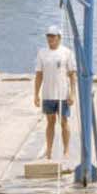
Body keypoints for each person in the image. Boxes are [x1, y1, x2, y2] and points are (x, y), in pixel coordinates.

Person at [31, 24, 76, 161]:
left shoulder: (67, 53)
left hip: (62, 94)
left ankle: (66, 150)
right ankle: (49, 151)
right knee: (50, 122)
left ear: (59, 37)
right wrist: (36, 94)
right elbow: (39, 75)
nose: (50, 39)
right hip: (48, 94)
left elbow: (72, 75)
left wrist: (72, 93)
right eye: (48, 36)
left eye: (53, 36)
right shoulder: (42, 52)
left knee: (64, 121)